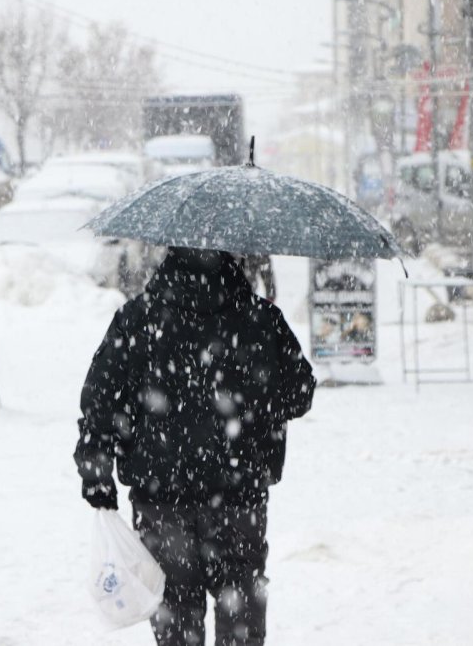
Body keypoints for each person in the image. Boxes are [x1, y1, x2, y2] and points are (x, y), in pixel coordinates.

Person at [75, 246, 315, 646]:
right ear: (231, 255)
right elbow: (300, 393)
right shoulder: (259, 319)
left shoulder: (139, 318)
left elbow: (99, 399)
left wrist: (97, 473)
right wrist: (251, 397)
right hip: (239, 499)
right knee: (240, 619)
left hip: (161, 499)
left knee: (176, 620)